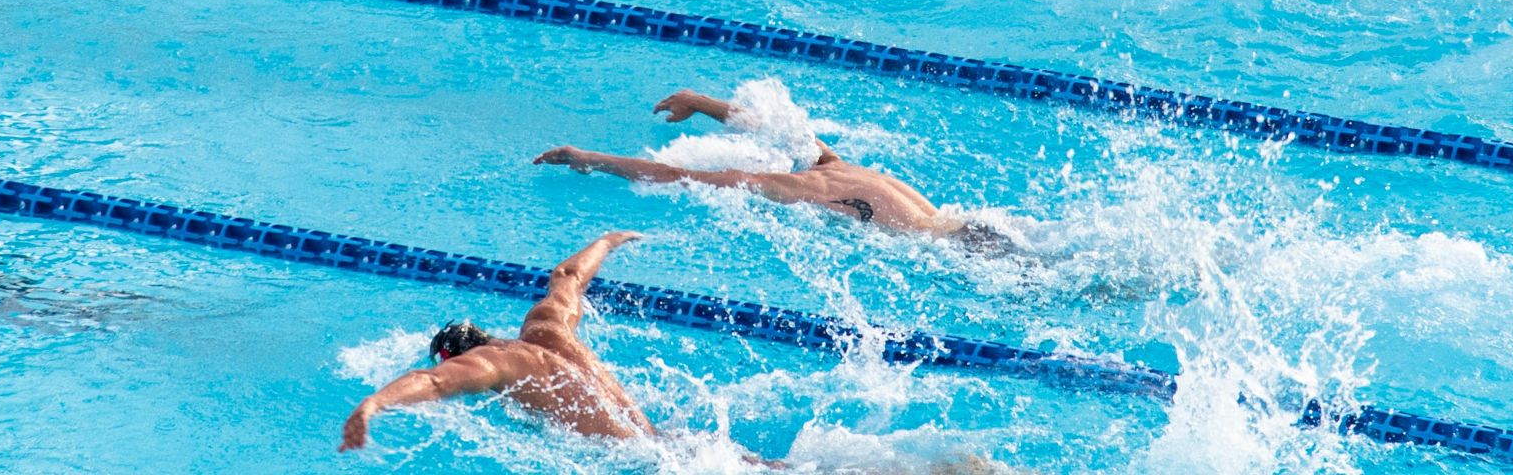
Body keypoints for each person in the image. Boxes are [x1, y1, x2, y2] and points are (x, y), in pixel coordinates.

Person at [341, 231, 742, 452]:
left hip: (641, 463)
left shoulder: (491, 364)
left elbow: (433, 382)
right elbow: (568, 276)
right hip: (667, 443)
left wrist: (373, 404)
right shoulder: (544, 327)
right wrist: (606, 241)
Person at [534, 89, 1017, 253]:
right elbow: (779, 128)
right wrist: (702, 103)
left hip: (956, 254)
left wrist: (589, 158)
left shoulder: (789, 185)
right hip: (973, 229)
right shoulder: (835, 163)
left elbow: (673, 176)